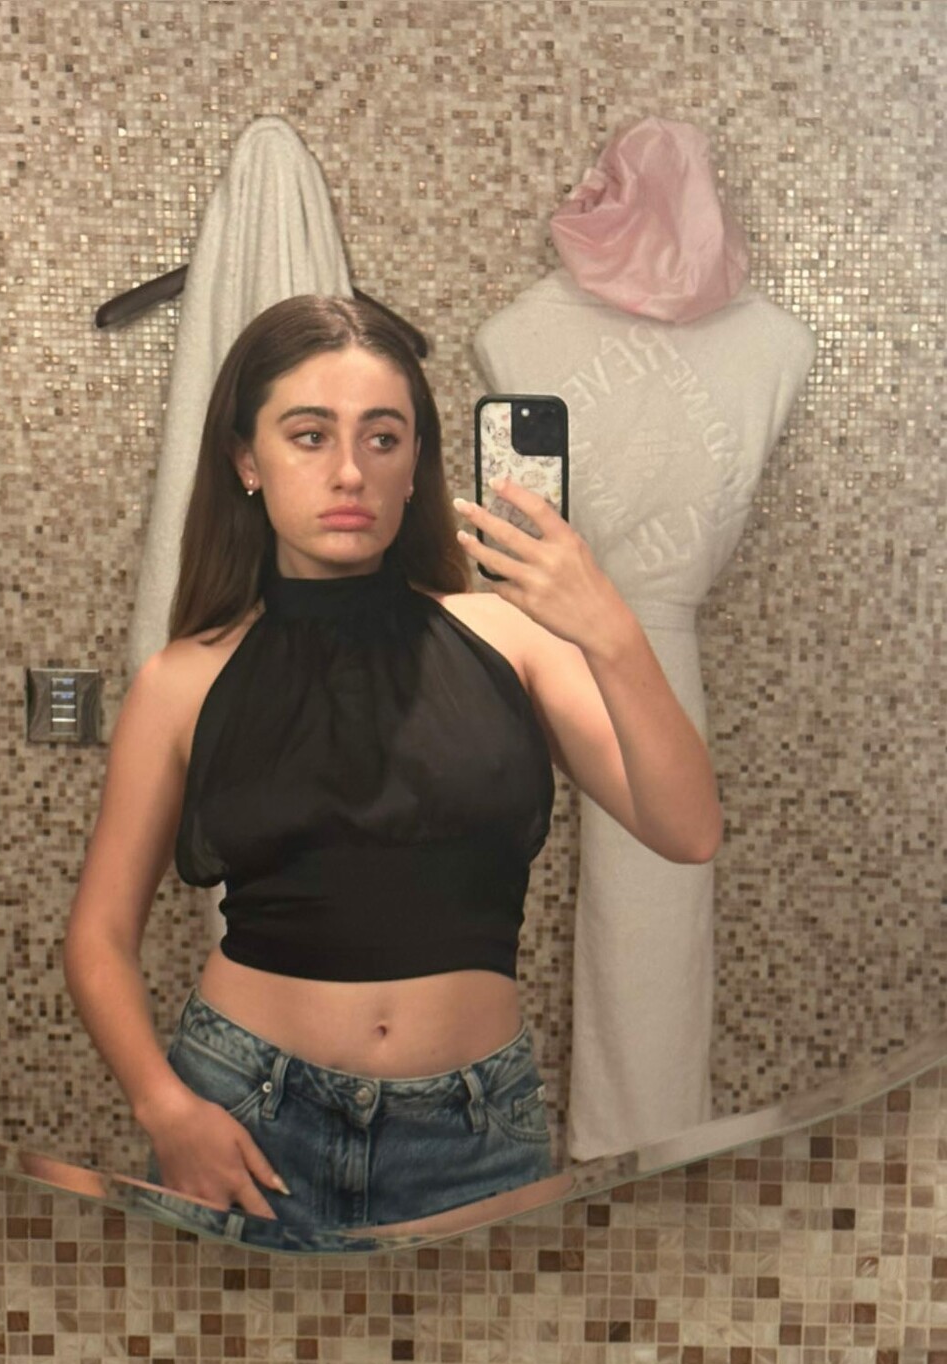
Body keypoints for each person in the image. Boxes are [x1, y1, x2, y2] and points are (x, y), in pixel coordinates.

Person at [63, 293, 722, 1248]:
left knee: (485, 1354)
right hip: (247, 1117)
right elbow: (97, 936)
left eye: (383, 438)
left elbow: (687, 828)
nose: (350, 471)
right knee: (241, 1356)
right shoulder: (183, 680)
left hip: (474, 1132)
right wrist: (165, 1108)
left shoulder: (510, 636)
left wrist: (608, 627)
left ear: (416, 466)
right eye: (309, 435)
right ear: (246, 459)